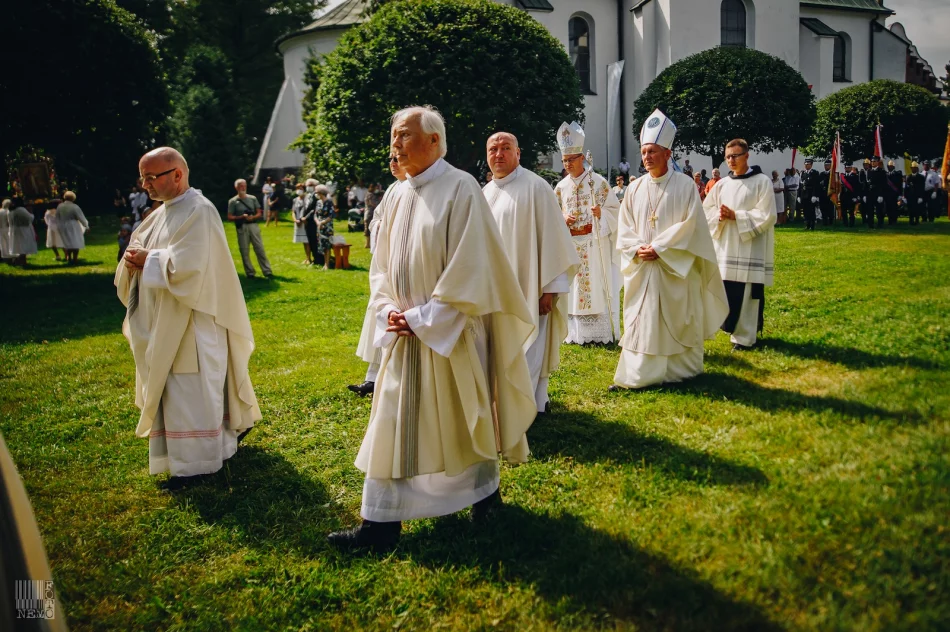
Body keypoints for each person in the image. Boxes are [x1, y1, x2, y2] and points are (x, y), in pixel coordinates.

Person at [327, 106, 537, 553]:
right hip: (404, 335)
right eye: (393, 135)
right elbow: (381, 266)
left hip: (449, 334)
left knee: (464, 419)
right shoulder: (398, 193)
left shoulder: (460, 188)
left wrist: (424, 319)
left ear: (435, 142)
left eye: (404, 135)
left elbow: (473, 268)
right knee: (393, 422)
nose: (395, 144)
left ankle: (484, 496)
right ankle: (379, 523)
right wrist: (386, 309)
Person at [115, 147, 261, 490]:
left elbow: (191, 268)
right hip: (162, 319)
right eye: (143, 178)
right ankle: (217, 445)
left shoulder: (199, 210)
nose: (145, 185)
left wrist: (147, 259)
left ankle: (195, 466)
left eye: (152, 177)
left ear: (177, 174)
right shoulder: (158, 214)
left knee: (190, 391)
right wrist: (134, 258)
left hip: (192, 323)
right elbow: (138, 252)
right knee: (178, 391)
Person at [611, 110, 728, 390]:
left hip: (674, 268)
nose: (647, 157)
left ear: (668, 153)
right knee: (643, 319)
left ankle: (680, 370)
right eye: (644, 152)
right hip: (642, 267)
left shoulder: (685, 185)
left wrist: (661, 248)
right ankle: (639, 374)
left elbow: (693, 226)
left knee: (676, 316)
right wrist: (639, 248)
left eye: (653, 151)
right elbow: (623, 226)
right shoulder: (634, 188)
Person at [483, 131, 579, 413]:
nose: (498, 154)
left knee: (528, 347)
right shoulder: (485, 193)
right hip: (494, 292)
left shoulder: (536, 188)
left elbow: (554, 241)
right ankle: (513, 404)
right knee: (498, 349)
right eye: (493, 149)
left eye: (505, 148)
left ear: (518, 153)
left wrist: (549, 289)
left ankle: (524, 408)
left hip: (530, 289)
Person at [703, 139, 776, 351]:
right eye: (728, 157)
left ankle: (745, 337)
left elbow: (767, 214)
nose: (731, 160)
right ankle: (729, 327)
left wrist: (737, 216)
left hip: (750, 247)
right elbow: (706, 211)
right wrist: (720, 215)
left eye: (735, 156)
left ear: (746, 155)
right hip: (726, 248)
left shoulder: (762, 182)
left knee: (747, 292)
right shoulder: (722, 184)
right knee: (727, 291)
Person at [554, 121, 621, 344]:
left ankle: (597, 334)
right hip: (571, 243)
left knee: (594, 286)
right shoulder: (560, 187)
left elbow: (615, 211)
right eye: (564, 161)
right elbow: (553, 214)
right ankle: (576, 334)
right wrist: (562, 218)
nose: (568, 164)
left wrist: (601, 212)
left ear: (581, 157)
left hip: (594, 242)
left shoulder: (598, 183)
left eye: (571, 160)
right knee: (573, 290)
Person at [349, 154, 407, 398]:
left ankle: (388, 378)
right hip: (385, 267)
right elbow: (376, 221)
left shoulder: (419, 189)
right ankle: (372, 377)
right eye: (390, 159)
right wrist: (380, 229)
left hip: (403, 270)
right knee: (378, 319)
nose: (393, 163)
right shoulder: (393, 189)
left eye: (397, 158)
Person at [227, 179, 273, 279]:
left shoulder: (252, 198)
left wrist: (253, 217)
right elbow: (229, 217)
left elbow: (259, 212)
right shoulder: (233, 201)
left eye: (244, 185)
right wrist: (241, 217)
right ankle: (250, 272)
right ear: (236, 187)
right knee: (244, 250)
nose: (243, 188)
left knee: (259, 248)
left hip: (253, 225)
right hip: (242, 227)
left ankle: (267, 270)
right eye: (241, 186)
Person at [56, 191, 89, 264]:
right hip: (73, 225)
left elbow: (57, 217)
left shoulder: (60, 206)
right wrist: (86, 226)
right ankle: (75, 258)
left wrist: (58, 226)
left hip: (62, 225)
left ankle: (69, 257)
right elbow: (81, 217)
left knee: (67, 242)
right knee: (75, 241)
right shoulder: (74, 207)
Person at [8, 199, 37, 266]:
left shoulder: (11, 211)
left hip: (14, 229)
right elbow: (29, 218)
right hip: (23, 229)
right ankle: (19, 260)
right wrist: (31, 212)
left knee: (20, 245)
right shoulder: (21, 210)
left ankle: (22, 261)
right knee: (24, 245)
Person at [313, 184, 335, 270]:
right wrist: (318, 222)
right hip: (319, 226)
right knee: (321, 245)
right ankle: (324, 262)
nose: (316, 194)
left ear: (321, 193)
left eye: (317, 192)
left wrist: (323, 222)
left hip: (327, 227)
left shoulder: (329, 202)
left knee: (327, 245)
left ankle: (327, 264)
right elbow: (315, 214)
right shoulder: (318, 202)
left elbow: (331, 215)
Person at [291, 183, 312, 263]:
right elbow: (293, 212)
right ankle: (307, 257)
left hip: (304, 221)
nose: (299, 190)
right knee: (303, 241)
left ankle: (309, 258)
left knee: (307, 241)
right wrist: (295, 220)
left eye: (301, 188)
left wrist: (304, 219)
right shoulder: (295, 200)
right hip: (297, 222)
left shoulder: (307, 199)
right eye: (297, 188)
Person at [799, 158, 821, 231]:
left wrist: (815, 195)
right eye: (805, 164)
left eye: (808, 164)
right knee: (805, 211)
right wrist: (799, 195)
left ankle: (812, 225)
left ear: (811, 165)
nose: (806, 166)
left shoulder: (814, 173)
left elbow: (816, 185)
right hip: (804, 194)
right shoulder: (802, 173)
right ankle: (807, 225)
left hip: (811, 195)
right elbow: (801, 185)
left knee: (811, 210)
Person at [868, 156, 888, 229]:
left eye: (874, 161)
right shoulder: (869, 171)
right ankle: (870, 224)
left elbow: (883, 184)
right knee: (870, 210)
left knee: (879, 210)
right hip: (870, 193)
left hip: (878, 193)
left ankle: (880, 224)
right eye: (872, 161)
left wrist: (881, 195)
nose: (873, 163)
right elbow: (867, 183)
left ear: (877, 162)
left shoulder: (882, 172)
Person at [363, 183, 382, 249]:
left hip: (372, 214)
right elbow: (373, 204)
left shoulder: (375, 194)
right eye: (376, 187)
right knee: (368, 229)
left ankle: (371, 244)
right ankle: (367, 244)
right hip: (370, 214)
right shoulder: (370, 195)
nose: (377, 189)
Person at [885, 161, 903, 226]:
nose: (889, 167)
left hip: (895, 194)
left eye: (891, 166)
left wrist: (900, 195)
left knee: (894, 208)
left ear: (893, 167)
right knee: (888, 208)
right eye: (888, 166)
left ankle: (894, 220)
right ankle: (890, 220)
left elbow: (900, 185)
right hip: (887, 194)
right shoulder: (885, 175)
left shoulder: (897, 174)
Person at [818, 159, 835, 227]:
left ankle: (831, 220)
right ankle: (824, 220)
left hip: (830, 194)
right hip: (823, 194)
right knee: (823, 208)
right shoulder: (821, 174)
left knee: (830, 208)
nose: (826, 166)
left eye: (828, 165)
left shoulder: (833, 174)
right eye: (825, 165)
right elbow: (819, 184)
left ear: (831, 166)